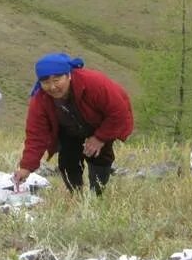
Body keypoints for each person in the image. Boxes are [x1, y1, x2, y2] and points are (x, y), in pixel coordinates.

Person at [13, 52, 133, 196]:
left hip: (99, 123)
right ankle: (76, 195)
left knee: (100, 155)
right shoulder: (40, 99)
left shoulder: (94, 83)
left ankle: (97, 195)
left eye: (57, 80)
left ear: (68, 75)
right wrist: (26, 167)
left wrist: (100, 138)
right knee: (68, 160)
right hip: (68, 129)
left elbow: (119, 112)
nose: (52, 87)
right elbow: (36, 135)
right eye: (45, 82)